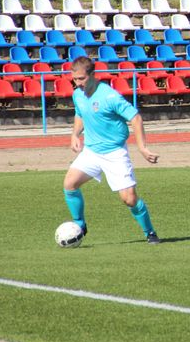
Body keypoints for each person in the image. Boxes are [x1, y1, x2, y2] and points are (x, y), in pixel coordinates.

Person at [62, 56, 162, 244]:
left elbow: (136, 118)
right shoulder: (78, 94)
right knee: (69, 184)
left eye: (81, 79)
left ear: (92, 75)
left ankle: (149, 232)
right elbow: (80, 113)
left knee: (129, 199)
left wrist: (142, 148)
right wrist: (75, 134)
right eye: (75, 79)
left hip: (114, 153)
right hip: (91, 151)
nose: (78, 83)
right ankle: (80, 225)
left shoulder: (109, 96)